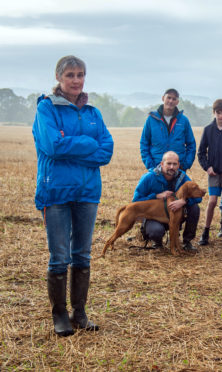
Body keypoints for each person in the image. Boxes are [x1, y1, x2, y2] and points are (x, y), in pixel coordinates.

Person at [32, 55, 114, 336]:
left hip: (87, 193)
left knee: (82, 255)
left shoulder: (93, 113)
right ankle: (60, 315)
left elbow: (107, 150)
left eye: (80, 74)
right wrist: (87, 144)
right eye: (70, 75)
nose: (76, 80)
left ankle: (80, 313)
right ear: (59, 78)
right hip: (55, 192)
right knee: (59, 257)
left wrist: (74, 146)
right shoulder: (46, 109)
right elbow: (53, 146)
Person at [133, 151, 202, 251]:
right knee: (155, 231)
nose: (171, 167)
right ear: (162, 164)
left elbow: (198, 197)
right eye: (168, 163)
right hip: (154, 217)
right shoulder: (149, 177)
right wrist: (156, 196)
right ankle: (156, 241)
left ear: (178, 165)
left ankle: (187, 242)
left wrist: (184, 201)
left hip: (174, 215)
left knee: (194, 208)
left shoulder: (182, 177)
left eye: (174, 164)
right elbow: (136, 201)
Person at [197, 99, 222, 247]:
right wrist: (207, 167)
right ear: (214, 113)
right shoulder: (208, 130)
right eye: (218, 113)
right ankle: (205, 231)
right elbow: (201, 152)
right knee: (212, 201)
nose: (221, 116)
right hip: (213, 174)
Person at [140, 89, 196, 171]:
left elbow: (191, 145)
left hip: (178, 169)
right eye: (168, 97)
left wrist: (185, 165)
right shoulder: (151, 120)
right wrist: (151, 166)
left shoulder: (183, 121)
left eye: (174, 99)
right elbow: (144, 144)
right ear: (163, 98)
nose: (171, 101)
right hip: (156, 168)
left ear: (177, 102)